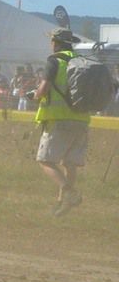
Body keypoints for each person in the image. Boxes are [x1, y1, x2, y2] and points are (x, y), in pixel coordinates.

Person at [31, 28, 91, 216]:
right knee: (70, 163)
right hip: (82, 120)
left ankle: (69, 192)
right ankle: (62, 203)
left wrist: (35, 95)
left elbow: (44, 89)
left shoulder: (54, 61)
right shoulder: (82, 61)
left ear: (55, 42)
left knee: (45, 161)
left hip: (59, 119)